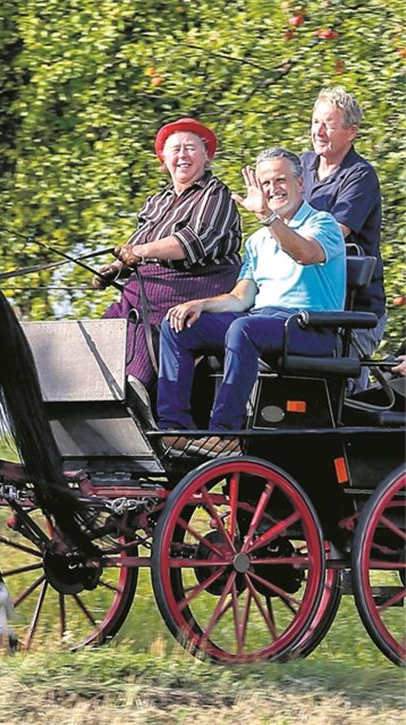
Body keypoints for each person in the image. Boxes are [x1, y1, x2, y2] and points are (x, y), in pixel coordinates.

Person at [156, 147, 346, 456]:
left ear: (300, 184)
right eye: (265, 184)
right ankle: (174, 428)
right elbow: (240, 297)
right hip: (263, 320)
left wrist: (267, 217)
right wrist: (200, 305)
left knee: (243, 329)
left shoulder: (323, 224)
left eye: (280, 180)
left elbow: (304, 253)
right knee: (178, 325)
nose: (273, 190)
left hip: (311, 326)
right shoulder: (257, 241)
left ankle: (226, 432)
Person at [92, 117, 242, 399]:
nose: (182, 155)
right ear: (164, 159)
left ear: (206, 155)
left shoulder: (215, 193)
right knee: (112, 320)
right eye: (175, 149)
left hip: (195, 285)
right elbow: (136, 244)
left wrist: (139, 252)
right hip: (146, 286)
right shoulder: (157, 200)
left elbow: (192, 244)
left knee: (147, 320)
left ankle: (136, 387)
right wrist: (113, 268)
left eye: (190, 148)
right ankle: (98, 388)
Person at [300, 86, 384, 385]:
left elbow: (334, 235)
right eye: (315, 122)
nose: (318, 131)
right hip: (304, 301)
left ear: (351, 132)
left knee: (341, 396)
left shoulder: (360, 176)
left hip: (352, 309)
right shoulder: (301, 166)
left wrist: (289, 238)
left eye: (329, 125)